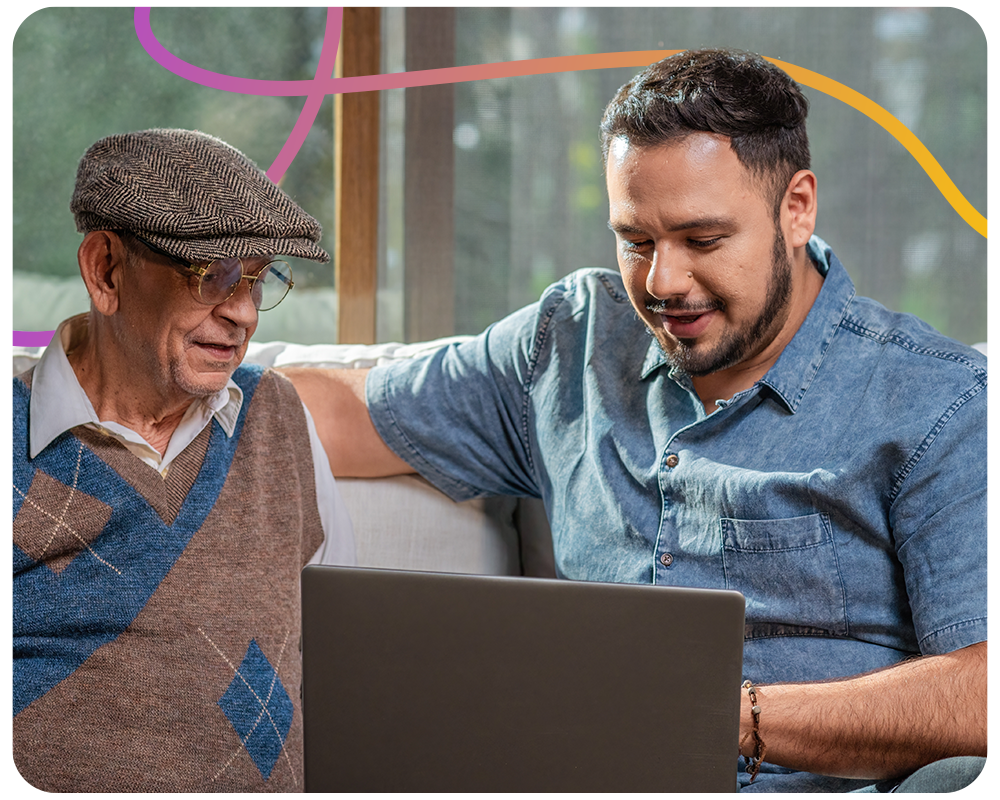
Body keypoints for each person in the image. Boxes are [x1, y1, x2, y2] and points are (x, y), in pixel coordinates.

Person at [287, 50, 987, 792]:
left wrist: (723, 717)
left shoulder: (938, 401)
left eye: (702, 240)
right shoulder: (573, 342)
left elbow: (984, 692)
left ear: (797, 208)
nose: (663, 283)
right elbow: (342, 413)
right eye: (636, 241)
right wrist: (178, 369)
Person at [12, 128, 355, 791]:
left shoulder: (275, 419)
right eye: (213, 275)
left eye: (258, 279)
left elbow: (345, 654)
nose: (243, 313)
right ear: (106, 270)